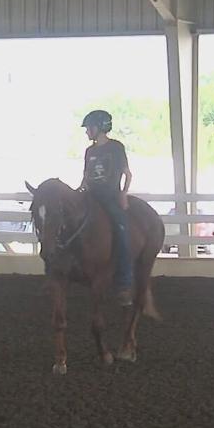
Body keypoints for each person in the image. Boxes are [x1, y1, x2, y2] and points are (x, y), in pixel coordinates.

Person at [80, 110, 134, 306]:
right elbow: (86, 175)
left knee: (122, 233)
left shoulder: (116, 148)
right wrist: (80, 189)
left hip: (110, 197)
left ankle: (124, 285)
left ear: (99, 127)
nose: (87, 132)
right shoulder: (89, 151)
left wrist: (123, 194)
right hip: (90, 196)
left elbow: (127, 174)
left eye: (89, 128)